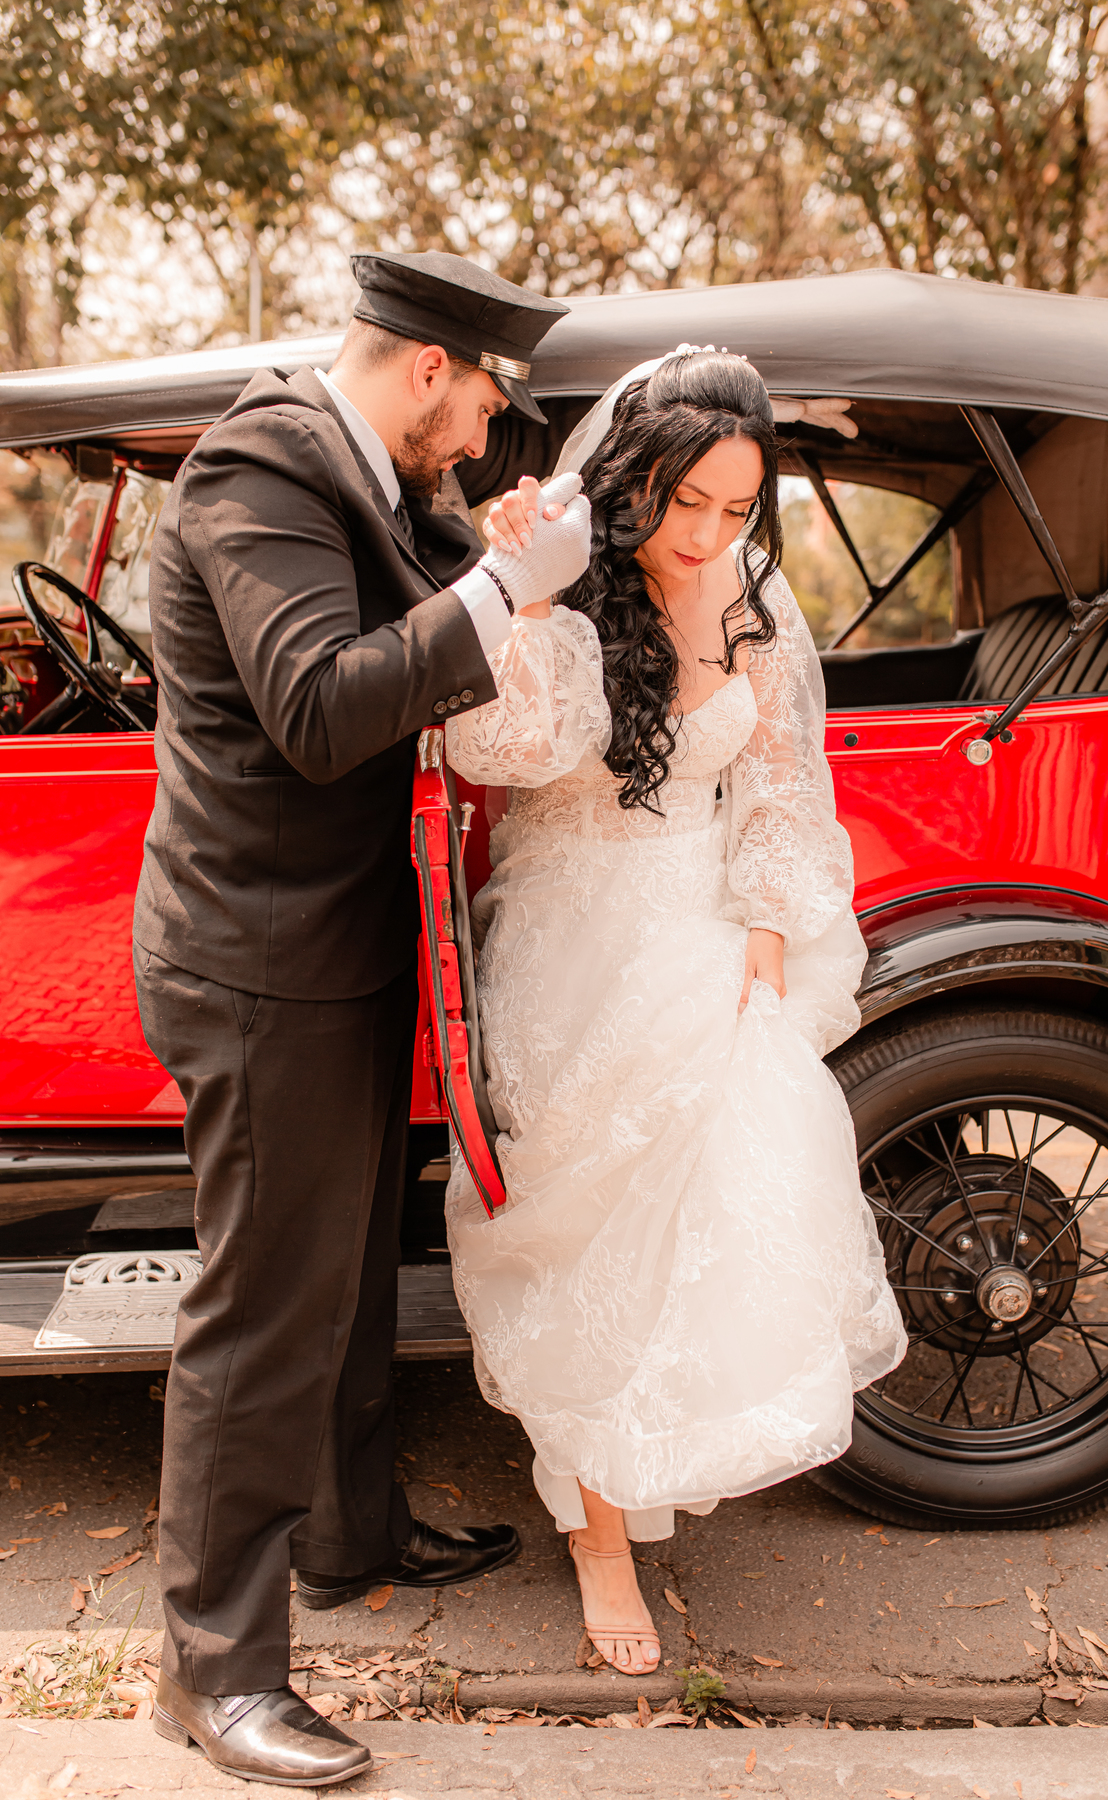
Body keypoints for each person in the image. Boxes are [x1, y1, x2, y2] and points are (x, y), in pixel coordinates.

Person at [133, 250, 592, 1788]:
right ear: (422, 370)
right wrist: (502, 586)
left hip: (340, 947)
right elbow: (324, 706)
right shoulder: (258, 465)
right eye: (476, 409)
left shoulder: (370, 479)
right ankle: (216, 1672)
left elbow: (431, 581)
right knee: (263, 1312)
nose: (478, 443)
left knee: (341, 1271)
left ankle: (350, 1533)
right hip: (258, 963)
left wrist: (491, 550)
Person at [444, 347, 907, 1679]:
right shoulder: (568, 587)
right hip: (567, 937)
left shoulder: (754, 600)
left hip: (705, 928)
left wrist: (766, 938)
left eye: (734, 510)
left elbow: (784, 787)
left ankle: (665, 1445)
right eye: (685, 503)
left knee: (714, 1214)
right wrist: (523, 598)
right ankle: (597, 1533)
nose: (707, 537)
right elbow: (507, 754)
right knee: (583, 1241)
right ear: (633, 481)